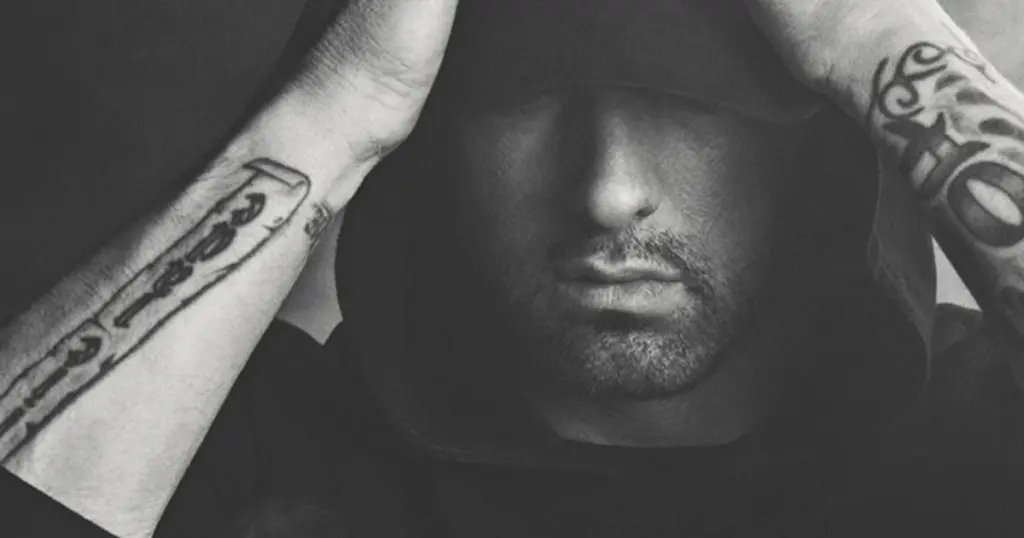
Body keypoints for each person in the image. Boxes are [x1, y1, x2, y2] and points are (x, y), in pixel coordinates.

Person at [3, 0, 1024, 536]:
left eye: (692, 104)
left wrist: (873, 36)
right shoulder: (250, 452)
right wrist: (343, 105)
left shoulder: (978, 439)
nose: (609, 188)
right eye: (520, 102)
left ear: (812, 142)